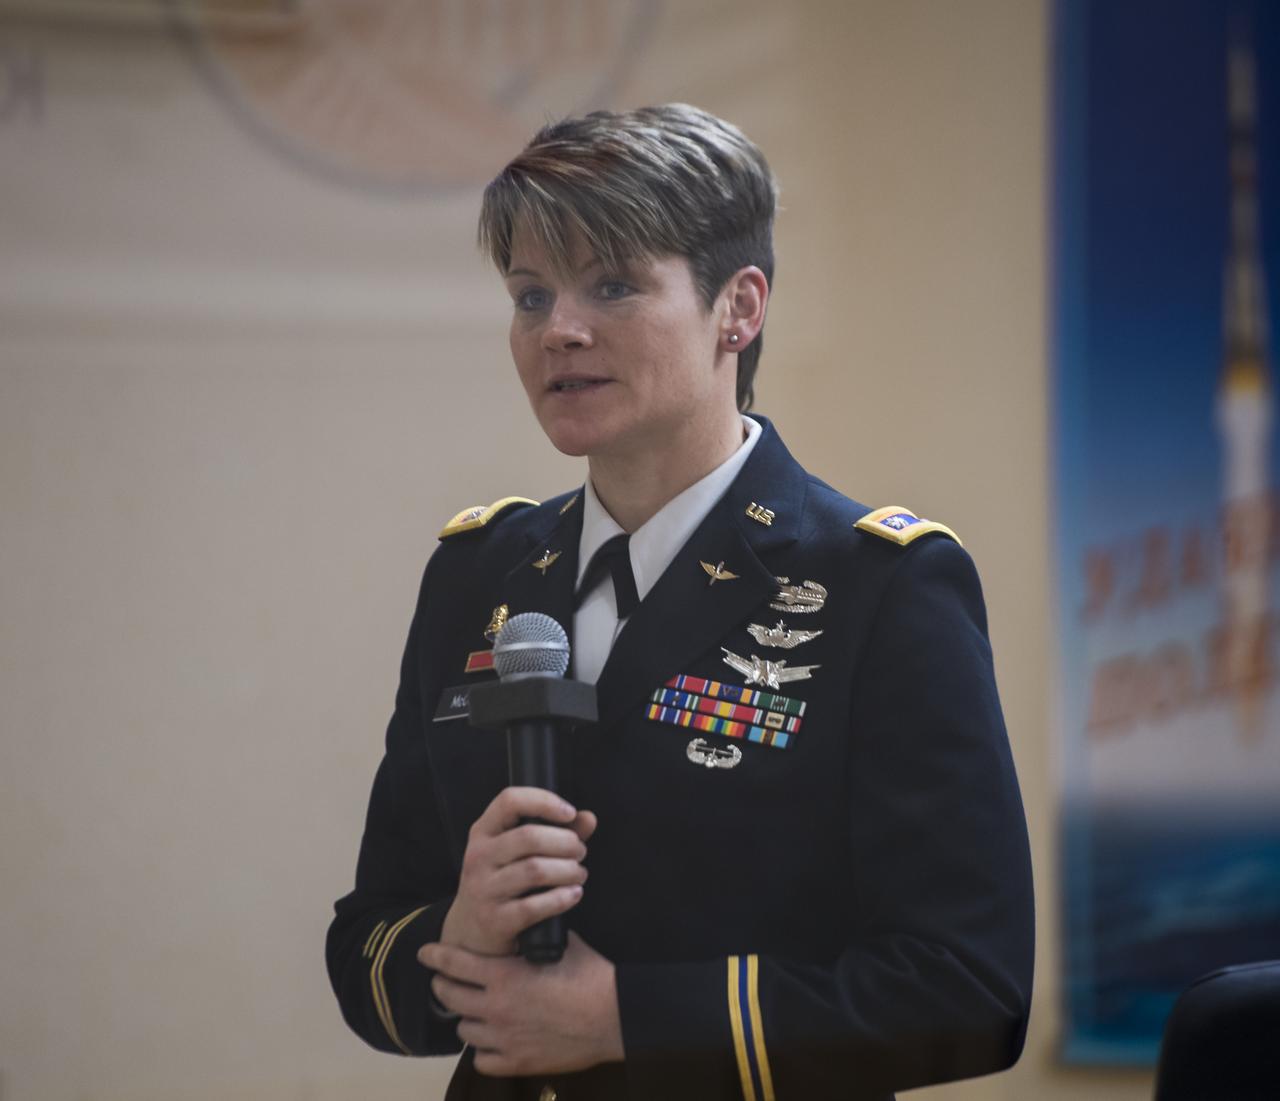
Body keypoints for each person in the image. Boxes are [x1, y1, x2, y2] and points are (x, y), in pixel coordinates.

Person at [326, 103, 1034, 1101]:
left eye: (612, 285)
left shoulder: (880, 585)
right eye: (530, 297)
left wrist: (623, 1021)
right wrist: (456, 935)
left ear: (736, 309)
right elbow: (365, 947)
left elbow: (969, 988)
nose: (559, 330)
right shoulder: (477, 575)